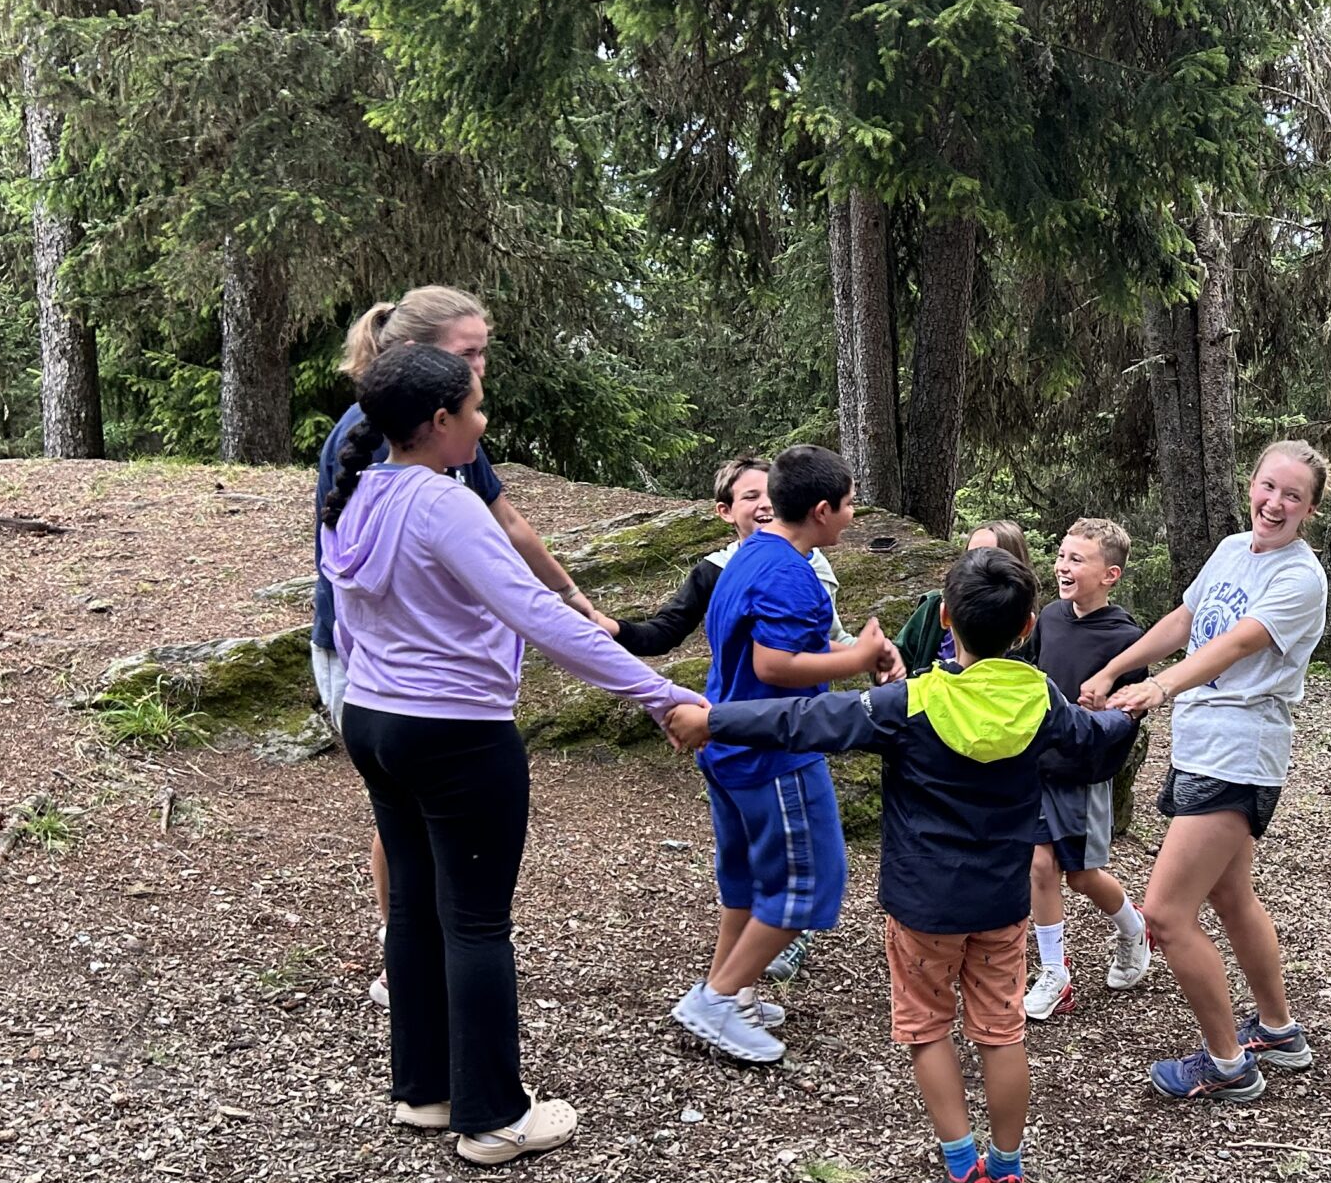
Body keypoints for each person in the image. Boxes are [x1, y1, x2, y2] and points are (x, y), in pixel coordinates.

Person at [318, 344, 700, 1166]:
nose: (484, 422)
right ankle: (493, 1117)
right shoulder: (442, 504)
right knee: (478, 922)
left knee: (416, 908)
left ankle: (425, 1091)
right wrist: (660, 693)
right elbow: (535, 612)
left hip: (375, 723)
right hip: (456, 734)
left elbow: (349, 626)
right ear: (439, 422)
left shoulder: (355, 493)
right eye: (476, 408)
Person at [670, 548, 1138, 1183]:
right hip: (1003, 904)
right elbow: (1097, 740)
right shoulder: (1041, 701)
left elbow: (804, 722)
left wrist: (712, 719)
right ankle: (1007, 1180)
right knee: (1001, 1035)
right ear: (1028, 627)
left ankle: (962, 1176)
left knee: (927, 1030)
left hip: (923, 906)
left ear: (945, 618)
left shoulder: (910, 701)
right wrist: (1132, 710)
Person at [312, 287, 608, 1010]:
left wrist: (577, 598)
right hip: (383, 672)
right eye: (468, 353)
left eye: (484, 350)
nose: (483, 368)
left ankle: (421, 985)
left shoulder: (441, 435)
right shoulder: (394, 443)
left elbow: (508, 525)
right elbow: (497, 589)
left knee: (416, 824)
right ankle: (408, 961)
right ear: (421, 367)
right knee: (416, 835)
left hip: (402, 679)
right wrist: (652, 689)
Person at [1082, 442, 1330, 1104]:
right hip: (1205, 748)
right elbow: (1187, 620)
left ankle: (1226, 1064)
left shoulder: (1300, 578)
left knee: (1164, 914)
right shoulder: (1230, 549)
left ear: (1309, 510)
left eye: (1292, 497)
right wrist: (1115, 670)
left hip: (1239, 754)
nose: (1275, 504)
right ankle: (1277, 1031)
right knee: (1230, 896)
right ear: (1252, 484)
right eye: (1268, 487)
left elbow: (1236, 643)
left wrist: (1160, 689)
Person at [672, 445, 900, 1064]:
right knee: (808, 887)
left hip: (729, 745)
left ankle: (730, 990)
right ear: (823, 511)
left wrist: (861, 652)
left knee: (746, 883)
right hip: (776, 755)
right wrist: (855, 660)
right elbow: (775, 666)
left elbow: (769, 650)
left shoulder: (751, 554)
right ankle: (717, 999)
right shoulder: (790, 574)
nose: (854, 514)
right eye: (850, 504)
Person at [1022, 518, 1153, 1018]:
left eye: (1077, 559)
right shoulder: (1051, 617)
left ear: (1110, 575)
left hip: (1084, 773)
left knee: (1081, 876)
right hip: (1038, 766)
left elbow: (1129, 715)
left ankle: (1133, 927)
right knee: (1038, 865)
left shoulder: (1126, 637)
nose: (1062, 566)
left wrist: (1103, 716)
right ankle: (1054, 970)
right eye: (1061, 555)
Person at [612, 455, 772, 657]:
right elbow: (665, 632)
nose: (767, 503)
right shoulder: (716, 570)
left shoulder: (813, 560)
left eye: (776, 494)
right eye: (751, 496)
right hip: (740, 688)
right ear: (726, 511)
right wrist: (612, 628)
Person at [894, 520, 1032, 674]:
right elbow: (900, 655)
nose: (977, 562)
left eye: (990, 555)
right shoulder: (935, 605)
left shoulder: (1025, 626)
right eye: (970, 553)